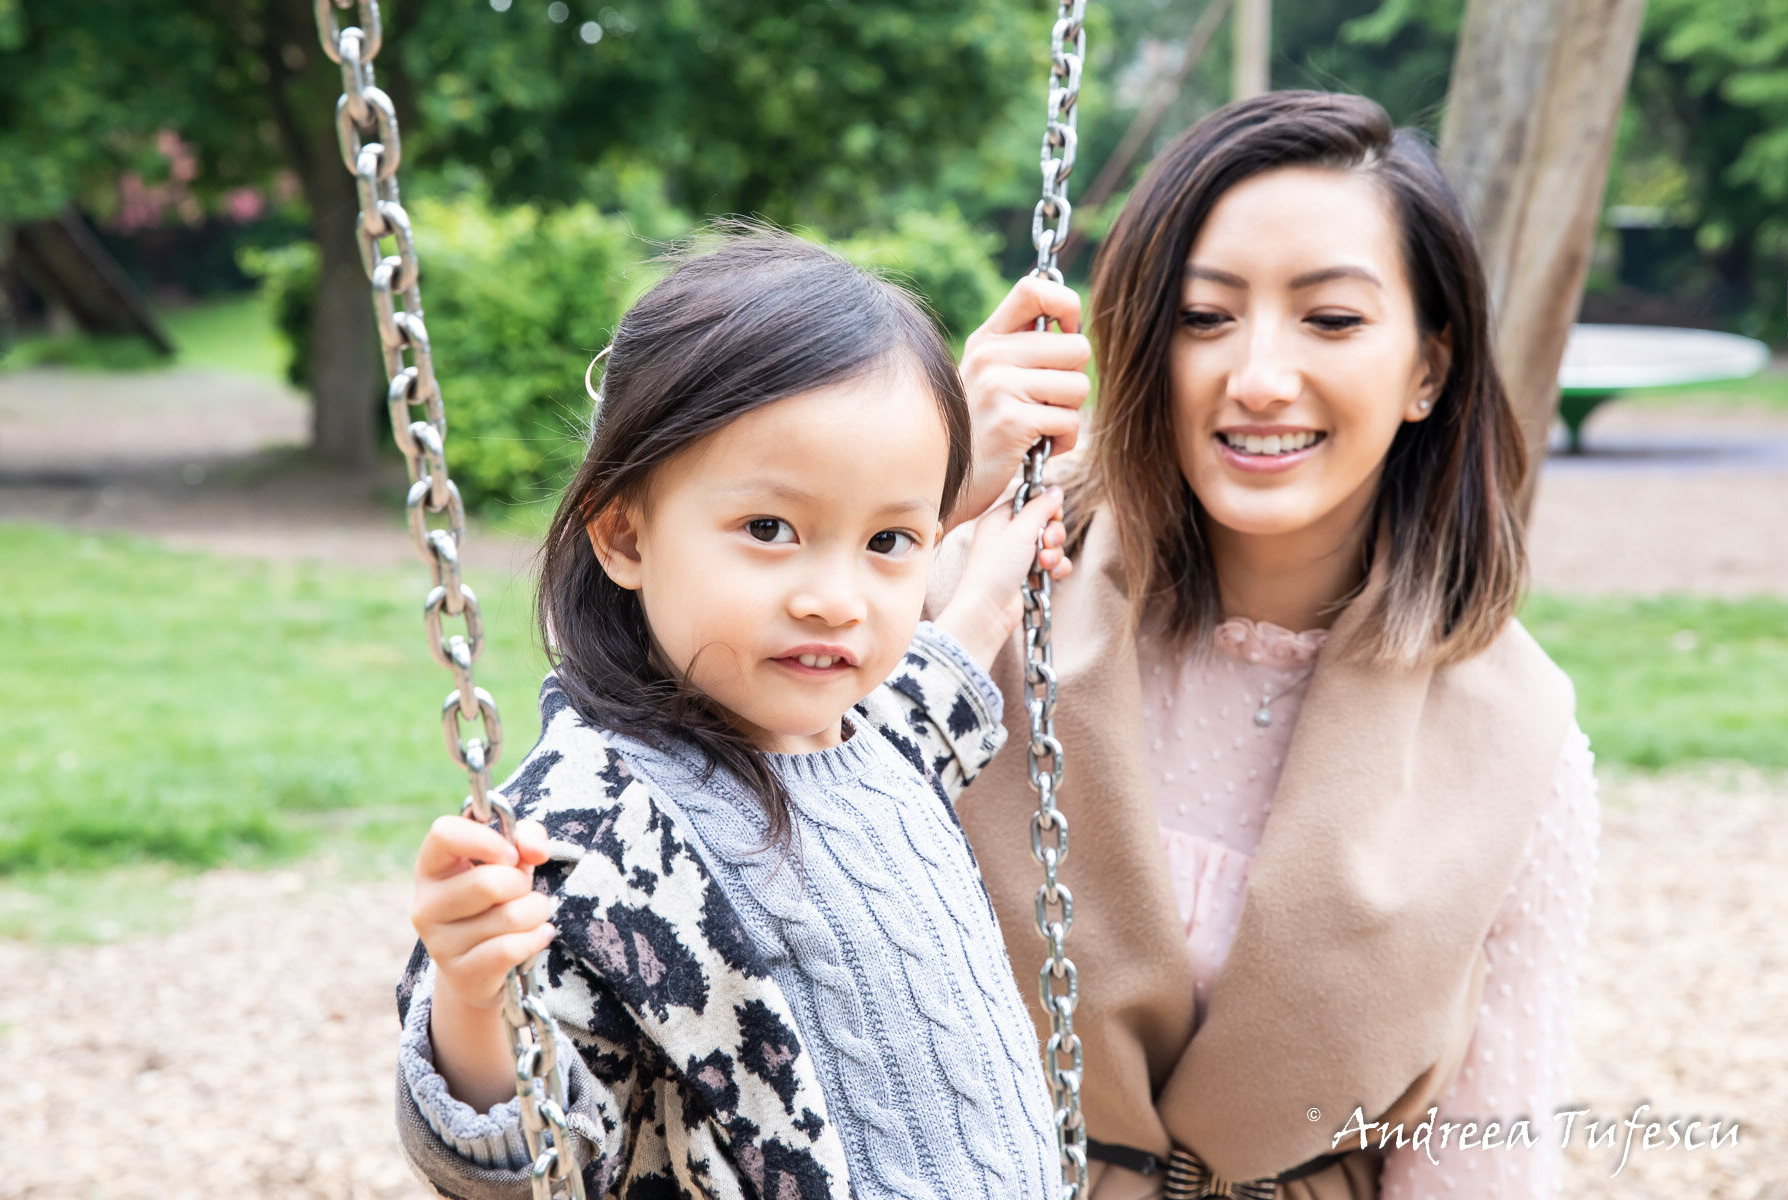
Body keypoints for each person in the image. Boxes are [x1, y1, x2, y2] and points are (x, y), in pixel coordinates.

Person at [946, 91, 1599, 1199]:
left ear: (1429, 370)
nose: (1256, 377)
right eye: (1205, 318)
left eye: (1331, 321)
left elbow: (1478, 1156)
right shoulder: (993, 591)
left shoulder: (1517, 748)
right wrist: (937, 498)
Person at [394, 231, 1075, 1200]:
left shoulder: (863, 732)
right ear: (624, 532)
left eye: (888, 539)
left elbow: (931, 697)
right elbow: (532, 1167)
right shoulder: (585, 831)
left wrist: (995, 581)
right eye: (770, 531)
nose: (835, 598)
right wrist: (471, 999)